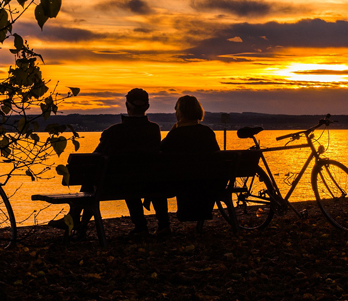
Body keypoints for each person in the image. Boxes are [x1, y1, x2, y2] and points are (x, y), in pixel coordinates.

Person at [50, 88, 169, 237]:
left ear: (127, 105)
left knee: (93, 174)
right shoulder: (154, 130)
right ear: (147, 106)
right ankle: (145, 226)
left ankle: (76, 220)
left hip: (117, 185)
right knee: (116, 177)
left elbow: (94, 159)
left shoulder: (114, 131)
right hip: (148, 183)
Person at [161, 95, 220, 223]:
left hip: (182, 183)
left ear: (181, 112)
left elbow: (161, 152)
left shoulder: (175, 135)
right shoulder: (207, 132)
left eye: (176, 109)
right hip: (207, 182)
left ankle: (163, 225)